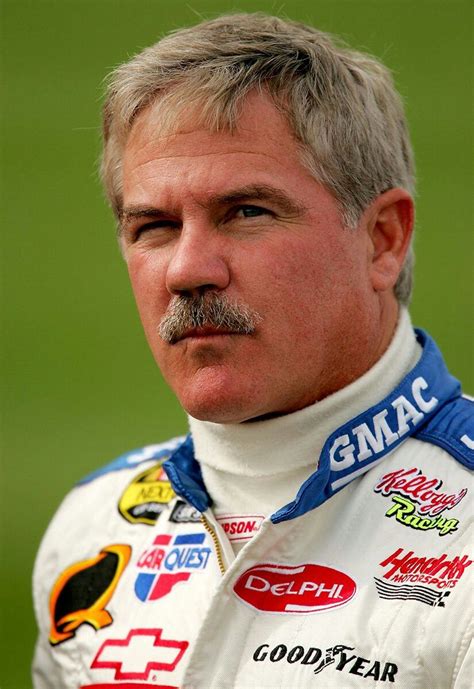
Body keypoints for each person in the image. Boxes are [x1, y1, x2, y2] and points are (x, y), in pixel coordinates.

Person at [32, 13, 473, 689]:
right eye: (153, 225)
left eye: (246, 212)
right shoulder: (91, 526)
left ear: (382, 238)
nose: (186, 269)